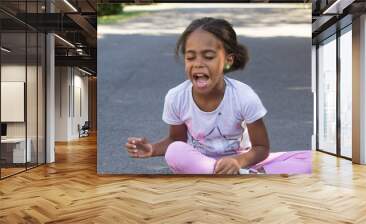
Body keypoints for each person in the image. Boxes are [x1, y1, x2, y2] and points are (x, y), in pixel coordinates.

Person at [125, 17, 311, 175]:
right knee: (175, 152)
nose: (198, 64)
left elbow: (261, 148)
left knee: (311, 159)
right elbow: (176, 140)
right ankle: (231, 175)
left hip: (240, 161)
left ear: (228, 60)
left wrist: (237, 162)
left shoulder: (244, 96)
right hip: (200, 162)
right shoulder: (176, 97)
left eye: (208, 56)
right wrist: (152, 149)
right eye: (191, 57)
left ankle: (243, 174)